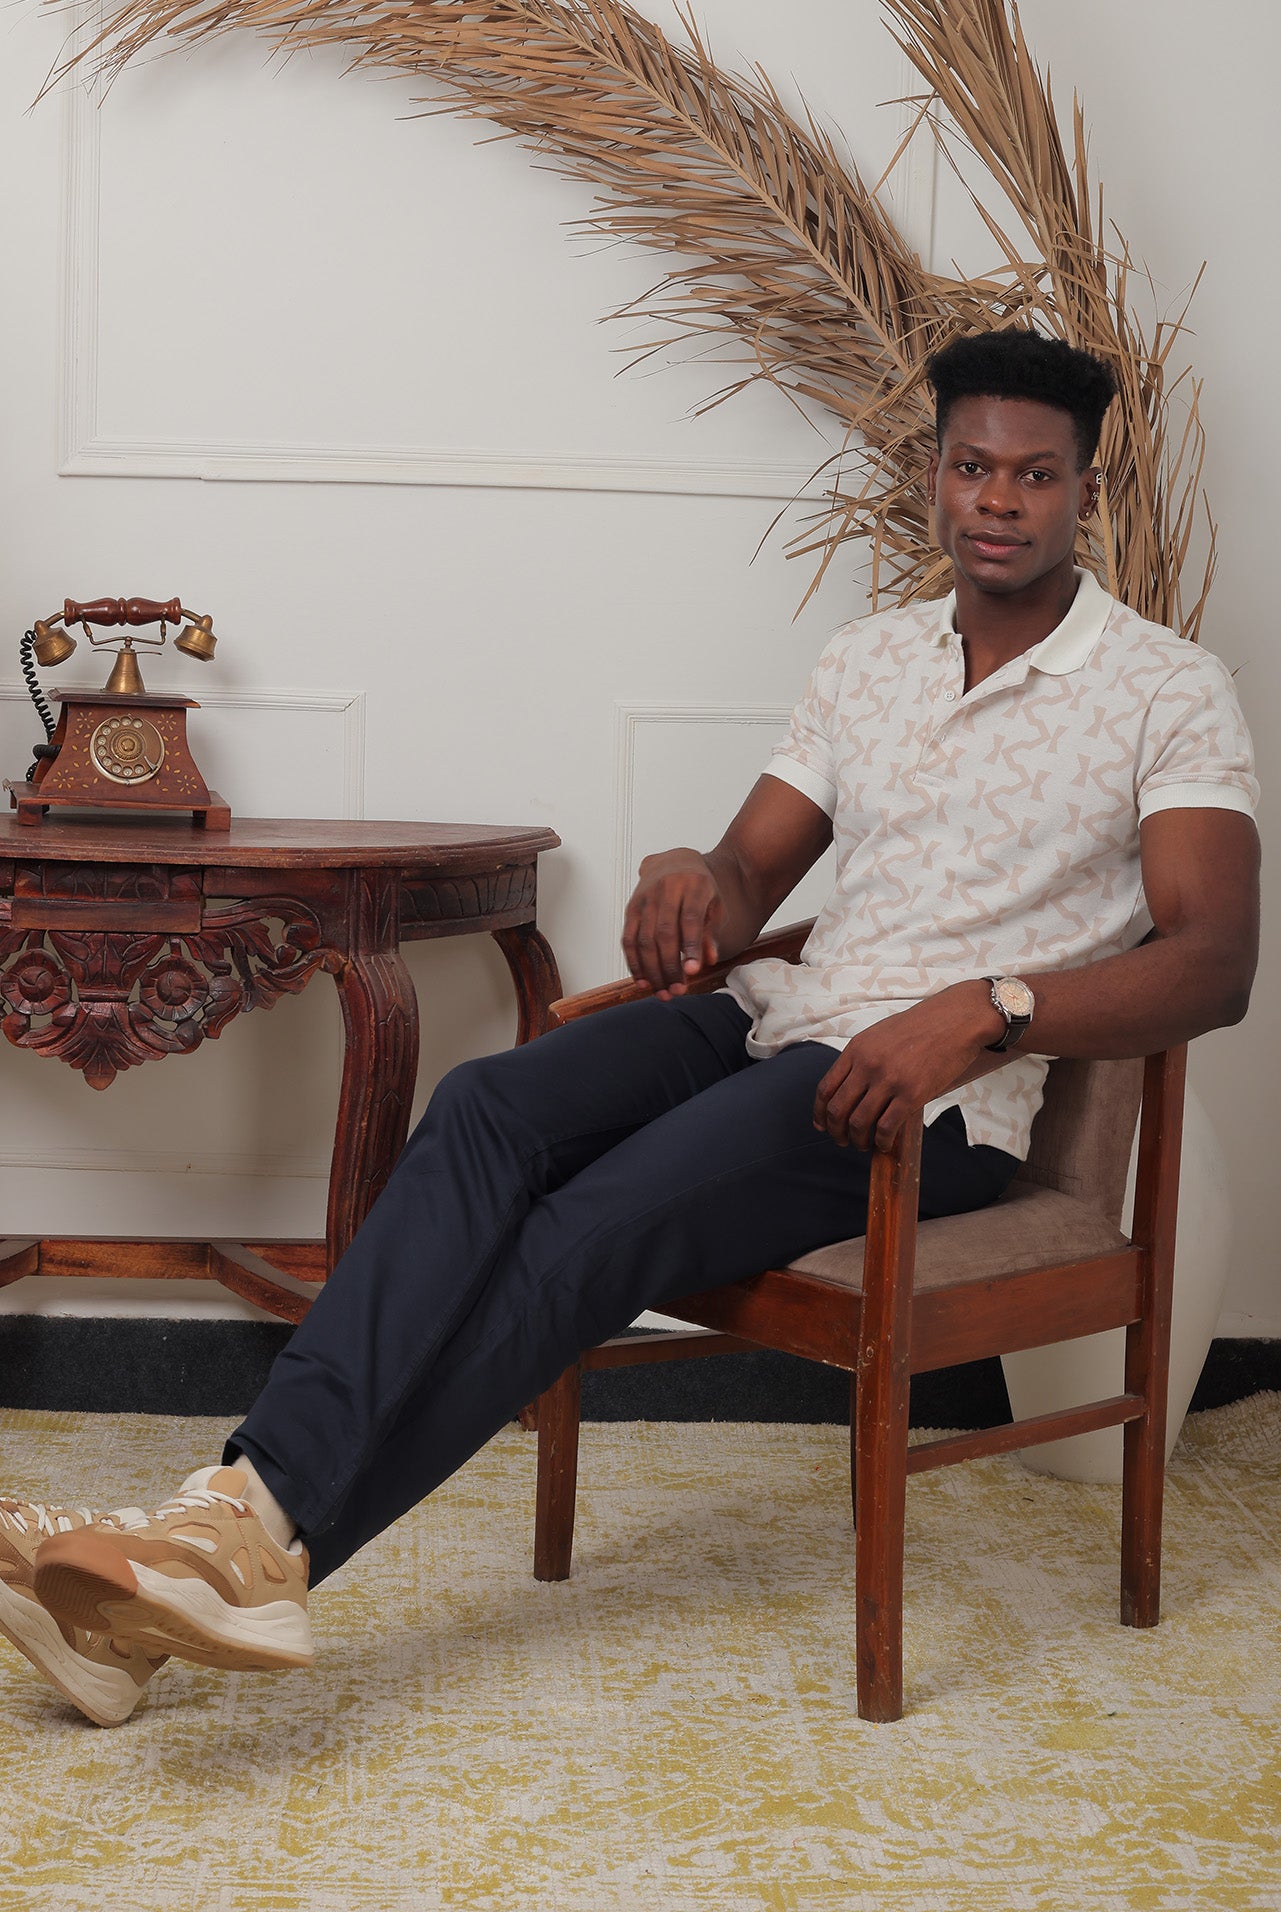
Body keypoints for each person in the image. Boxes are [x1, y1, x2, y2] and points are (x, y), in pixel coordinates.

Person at [0, 330, 1259, 1727]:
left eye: (1035, 474)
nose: (999, 500)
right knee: (487, 1106)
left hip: (932, 1098)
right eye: (973, 467)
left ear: (1085, 489)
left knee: (594, 1224)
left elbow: (1214, 963)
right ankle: (214, 1555)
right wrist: (687, 881)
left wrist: (991, 1009)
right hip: (780, 1015)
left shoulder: (1164, 687)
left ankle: (230, 1537)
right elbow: (748, 878)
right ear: (934, 478)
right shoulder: (871, 659)